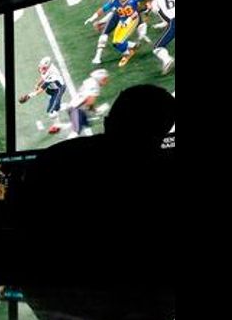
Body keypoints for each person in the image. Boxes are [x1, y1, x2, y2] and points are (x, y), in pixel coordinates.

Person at [20, 84, 176, 284]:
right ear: (159, 137)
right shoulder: (161, 179)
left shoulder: (52, 158)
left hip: (51, 286)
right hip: (136, 291)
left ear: (107, 122)